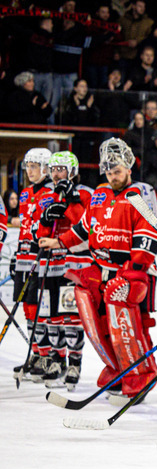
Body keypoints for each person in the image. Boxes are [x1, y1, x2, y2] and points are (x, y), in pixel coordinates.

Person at [39, 139, 157, 399]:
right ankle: (118, 368)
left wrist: (136, 271)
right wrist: (59, 241)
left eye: (117, 171)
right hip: (102, 269)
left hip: (131, 272)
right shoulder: (101, 194)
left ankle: (140, 374)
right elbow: (84, 228)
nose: (112, 176)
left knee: (132, 326)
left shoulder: (141, 193)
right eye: (108, 172)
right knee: (100, 320)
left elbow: (150, 234)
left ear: (129, 168)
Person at [34, 151, 92, 389]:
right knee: (51, 319)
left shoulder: (86, 194)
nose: (57, 174)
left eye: (62, 169)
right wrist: (46, 220)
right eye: (53, 169)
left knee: (71, 318)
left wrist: (71, 203)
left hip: (73, 264)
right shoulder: (47, 197)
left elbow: (85, 229)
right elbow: (39, 236)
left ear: (72, 171)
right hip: (50, 265)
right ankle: (57, 360)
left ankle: (74, 364)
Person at [12, 148, 56, 382]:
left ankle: (48, 355)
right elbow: (24, 228)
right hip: (24, 257)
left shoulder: (51, 192)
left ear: (45, 168)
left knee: (43, 309)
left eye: (34, 166)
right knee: (28, 306)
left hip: (41, 259)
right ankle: (36, 353)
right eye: (27, 166)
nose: (29, 171)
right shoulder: (25, 193)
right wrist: (16, 255)